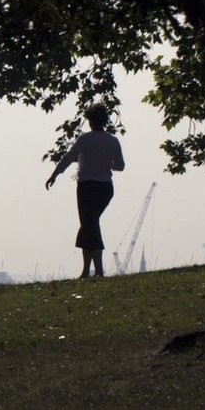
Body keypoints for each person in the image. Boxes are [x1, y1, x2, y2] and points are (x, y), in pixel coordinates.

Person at [45, 102, 125, 278]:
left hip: (87, 186)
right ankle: (87, 270)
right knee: (89, 225)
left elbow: (68, 158)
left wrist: (54, 175)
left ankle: (97, 270)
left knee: (90, 225)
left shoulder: (86, 139)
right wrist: (106, 162)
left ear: (91, 121)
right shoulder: (112, 140)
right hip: (105, 188)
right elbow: (120, 166)